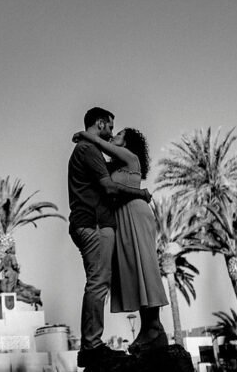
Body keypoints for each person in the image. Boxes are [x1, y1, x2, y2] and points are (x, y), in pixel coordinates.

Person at [67, 107, 152, 367]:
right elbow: (109, 186)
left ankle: (92, 344)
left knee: (97, 281)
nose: (111, 133)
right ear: (101, 123)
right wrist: (141, 194)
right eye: (110, 127)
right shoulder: (88, 150)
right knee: (98, 283)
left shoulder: (86, 149)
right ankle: (92, 346)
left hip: (89, 222)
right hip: (93, 223)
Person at [74, 126, 170, 354]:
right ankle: (150, 328)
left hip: (135, 214)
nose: (114, 136)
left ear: (126, 143)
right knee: (133, 271)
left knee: (145, 266)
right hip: (122, 218)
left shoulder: (131, 157)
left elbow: (103, 146)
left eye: (119, 135)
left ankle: (154, 328)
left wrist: (86, 135)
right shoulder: (114, 166)